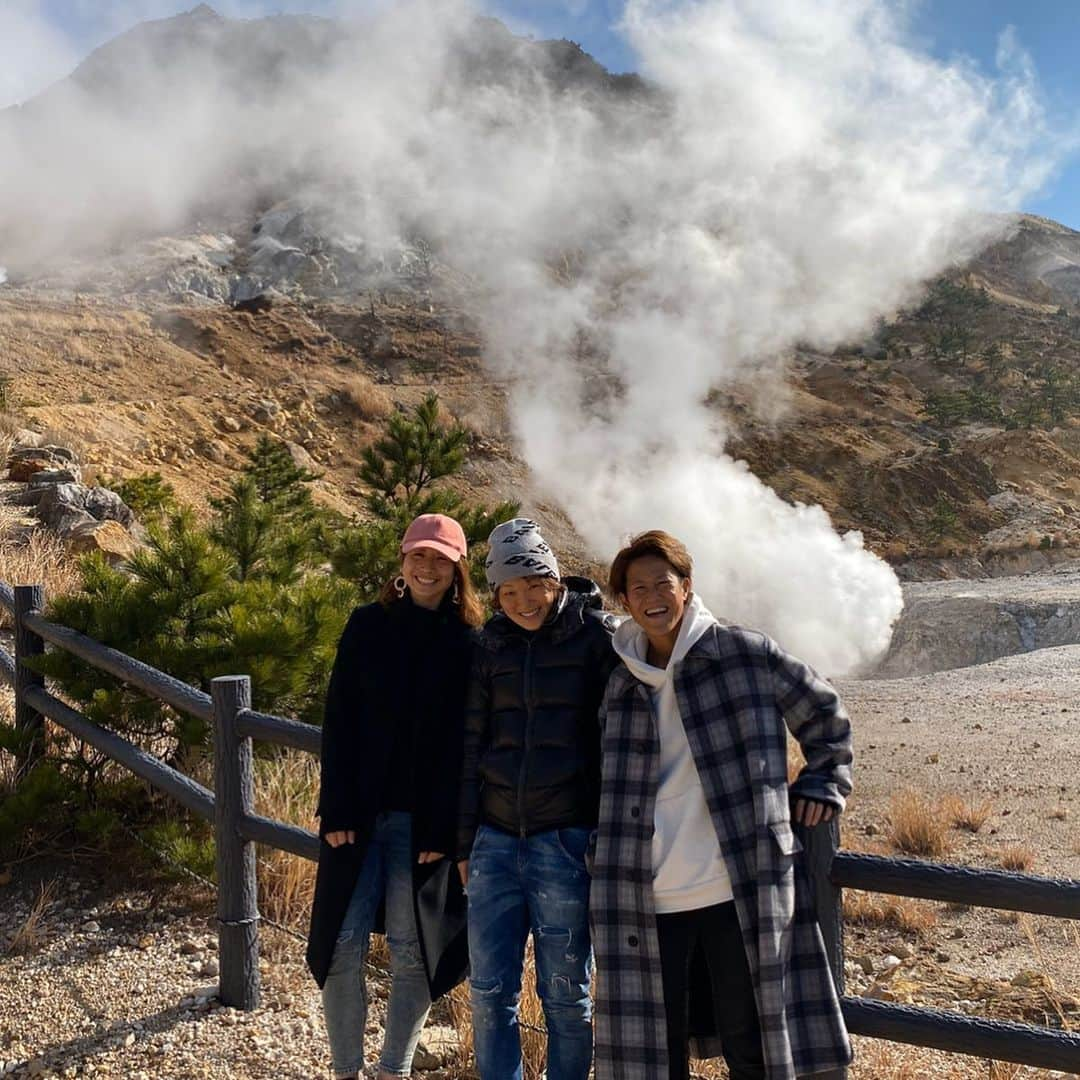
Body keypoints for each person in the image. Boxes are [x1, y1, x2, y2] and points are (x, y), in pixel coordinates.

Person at [591, 530, 853, 1080]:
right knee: (654, 1055)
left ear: (686, 587)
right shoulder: (620, 685)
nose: (651, 596)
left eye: (662, 582)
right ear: (624, 602)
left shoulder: (744, 653)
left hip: (736, 885)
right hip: (645, 895)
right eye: (636, 588)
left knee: (750, 1041)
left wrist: (822, 783)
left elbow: (825, 715)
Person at [306, 513, 483, 1080]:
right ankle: (347, 1071)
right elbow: (339, 720)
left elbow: (466, 749)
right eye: (418, 556)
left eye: (440, 559)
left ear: (458, 570)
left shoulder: (468, 644)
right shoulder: (367, 625)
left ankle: (393, 1071)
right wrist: (333, 806)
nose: (427, 567)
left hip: (423, 825)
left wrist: (447, 830)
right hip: (356, 815)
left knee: (413, 951)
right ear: (403, 561)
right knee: (340, 943)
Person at [456, 518, 617, 1080]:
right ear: (497, 594)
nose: (524, 600)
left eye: (534, 585)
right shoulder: (489, 646)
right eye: (509, 590)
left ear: (554, 579)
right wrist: (464, 844)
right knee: (487, 993)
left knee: (567, 997)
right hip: (494, 844)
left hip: (565, 843)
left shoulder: (599, 639)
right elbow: (470, 746)